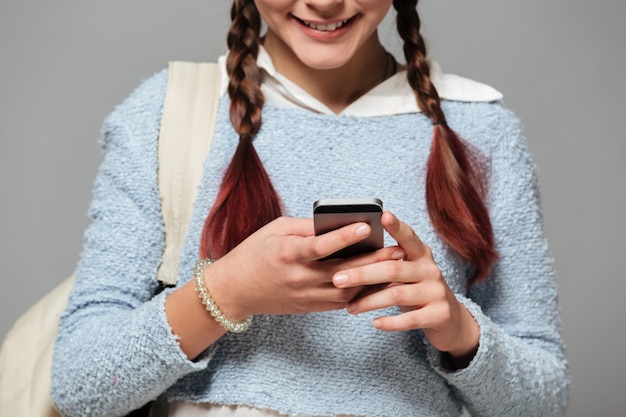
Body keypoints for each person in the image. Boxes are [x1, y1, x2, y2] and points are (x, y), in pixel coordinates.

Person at [51, 0, 570, 416]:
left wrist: (460, 332)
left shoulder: (482, 130)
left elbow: (545, 400)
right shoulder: (166, 114)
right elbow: (80, 386)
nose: (324, 2)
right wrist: (227, 292)